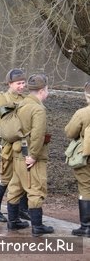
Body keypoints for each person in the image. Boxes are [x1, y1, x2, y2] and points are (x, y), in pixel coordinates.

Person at [6, 73, 54, 235]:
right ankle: (37, 227)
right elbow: (38, 135)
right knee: (36, 189)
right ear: (42, 90)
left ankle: (12, 222)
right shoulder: (38, 109)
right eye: (47, 89)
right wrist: (33, 156)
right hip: (31, 156)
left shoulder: (22, 104)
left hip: (18, 152)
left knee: (15, 187)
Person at [0, 69, 30, 222]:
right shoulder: (2, 99)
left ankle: (22, 210)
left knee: (25, 175)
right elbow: (4, 124)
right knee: (5, 176)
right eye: (18, 83)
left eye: (23, 83)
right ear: (10, 84)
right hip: (9, 144)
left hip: (24, 144)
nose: (22, 86)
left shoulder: (26, 99)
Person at [64, 81, 90, 237]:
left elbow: (70, 132)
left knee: (86, 187)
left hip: (86, 156)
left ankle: (86, 226)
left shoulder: (83, 113)